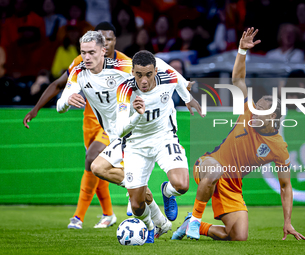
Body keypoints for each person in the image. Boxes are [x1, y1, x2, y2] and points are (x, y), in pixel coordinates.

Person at [56, 32, 200, 238]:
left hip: (149, 135)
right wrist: (67, 101)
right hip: (123, 134)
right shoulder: (79, 72)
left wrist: (187, 96)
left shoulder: (124, 67)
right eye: (83, 53)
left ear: (103, 51)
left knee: (175, 186)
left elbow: (162, 68)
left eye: (91, 53)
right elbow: (60, 105)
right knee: (98, 168)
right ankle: (152, 217)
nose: (86, 57)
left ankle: (153, 198)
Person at [172, 27, 305, 242]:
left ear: (272, 118)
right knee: (216, 169)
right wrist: (242, 52)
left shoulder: (278, 147)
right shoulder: (249, 109)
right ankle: (196, 220)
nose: (254, 112)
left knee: (238, 236)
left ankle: (193, 224)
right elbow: (238, 81)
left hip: (233, 186)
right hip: (209, 164)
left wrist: (288, 221)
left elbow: (285, 186)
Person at [23, 22, 124, 229]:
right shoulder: (82, 62)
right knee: (96, 169)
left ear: (112, 43)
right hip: (89, 123)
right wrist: (36, 109)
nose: (105, 42)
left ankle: (78, 217)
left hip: (113, 127)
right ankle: (108, 214)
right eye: (101, 38)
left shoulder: (124, 64)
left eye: (109, 39)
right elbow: (59, 85)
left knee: (91, 159)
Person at [112, 50, 204, 243]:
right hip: (136, 145)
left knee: (182, 185)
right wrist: (137, 114)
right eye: (138, 75)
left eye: (148, 74)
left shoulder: (168, 77)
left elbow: (179, 81)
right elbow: (119, 130)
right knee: (136, 205)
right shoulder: (124, 89)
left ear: (156, 71)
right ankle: (151, 228)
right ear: (132, 73)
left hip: (165, 138)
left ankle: (167, 192)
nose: (143, 80)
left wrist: (188, 99)